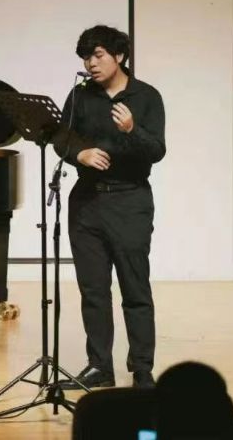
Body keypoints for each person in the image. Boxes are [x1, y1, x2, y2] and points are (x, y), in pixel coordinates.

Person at [56, 25, 165, 389]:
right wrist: (80, 154)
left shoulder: (146, 96)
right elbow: (61, 137)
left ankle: (142, 369)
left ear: (119, 56)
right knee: (93, 291)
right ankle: (99, 366)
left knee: (135, 289)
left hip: (129, 201)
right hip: (86, 202)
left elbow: (157, 151)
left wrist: (133, 129)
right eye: (86, 57)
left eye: (98, 55)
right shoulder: (81, 95)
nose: (91, 63)